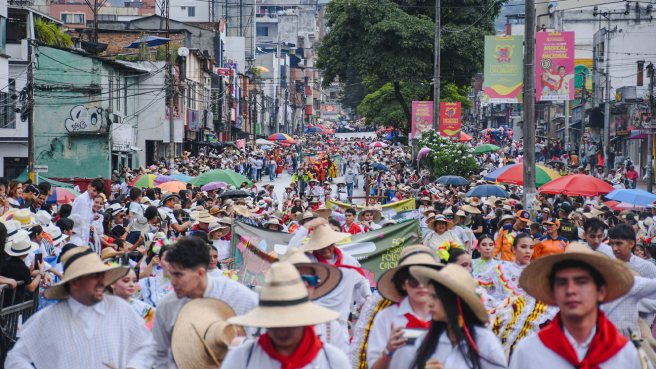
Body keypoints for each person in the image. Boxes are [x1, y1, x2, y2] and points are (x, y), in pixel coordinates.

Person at [5, 246, 155, 368]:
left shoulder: (120, 309)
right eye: (94, 277)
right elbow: (17, 357)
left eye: (102, 276)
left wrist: (134, 366)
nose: (102, 282)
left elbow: (147, 345)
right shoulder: (49, 317)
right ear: (75, 282)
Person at [510, 243, 643, 368]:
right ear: (553, 293)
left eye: (581, 282)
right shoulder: (528, 351)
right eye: (562, 283)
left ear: (601, 292)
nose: (570, 290)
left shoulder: (625, 353)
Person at [152, 237, 258, 368]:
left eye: (178, 275)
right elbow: (159, 353)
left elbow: (258, 344)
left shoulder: (239, 297)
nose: (173, 282)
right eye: (171, 274)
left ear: (200, 273)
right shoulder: (167, 305)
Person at [222, 262, 350, 368]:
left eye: (290, 324)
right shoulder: (241, 358)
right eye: (274, 324)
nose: (282, 332)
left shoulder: (333, 361)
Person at [409, 264, 508, 369]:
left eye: (435, 297)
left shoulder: (484, 341)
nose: (429, 304)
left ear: (454, 301)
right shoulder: (426, 340)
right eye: (429, 296)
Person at [367, 245, 443, 369]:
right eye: (413, 280)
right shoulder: (386, 318)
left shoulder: (447, 317)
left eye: (426, 279)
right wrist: (388, 352)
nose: (420, 285)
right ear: (403, 284)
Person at [300, 218, 372, 345]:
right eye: (321, 245)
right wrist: (303, 230)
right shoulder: (307, 261)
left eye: (328, 244)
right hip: (314, 324)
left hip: (341, 324)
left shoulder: (348, 260)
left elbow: (360, 280)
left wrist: (367, 297)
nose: (325, 249)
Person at [71, 178, 106, 245]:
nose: (95, 194)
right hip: (79, 238)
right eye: (94, 190)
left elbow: (86, 219)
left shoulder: (90, 200)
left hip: (84, 237)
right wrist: (83, 242)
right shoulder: (82, 199)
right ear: (89, 187)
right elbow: (80, 222)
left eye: (98, 192)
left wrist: (93, 218)